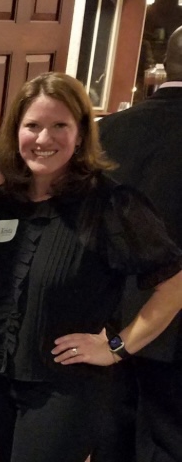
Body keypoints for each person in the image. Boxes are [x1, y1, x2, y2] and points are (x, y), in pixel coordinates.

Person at [0, 71, 182, 462]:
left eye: (59, 126)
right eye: (32, 126)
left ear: (81, 134)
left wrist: (116, 347)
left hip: (64, 391)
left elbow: (174, 284)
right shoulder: (3, 201)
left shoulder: (110, 205)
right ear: (15, 132)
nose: (44, 139)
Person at [94, 25, 182, 462]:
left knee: (109, 438)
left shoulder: (107, 130)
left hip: (110, 317)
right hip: (177, 330)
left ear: (166, 64)